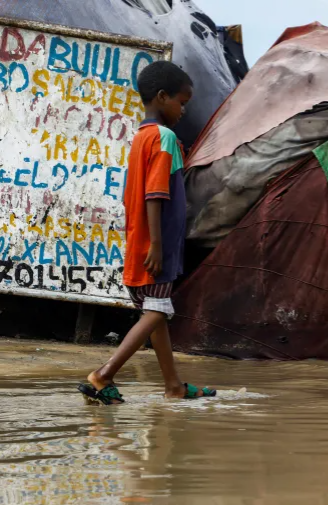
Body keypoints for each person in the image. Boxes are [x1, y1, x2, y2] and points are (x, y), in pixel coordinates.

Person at [78, 61, 215, 404]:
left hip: (141, 240)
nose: (184, 110)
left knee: (157, 313)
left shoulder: (141, 137)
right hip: (157, 245)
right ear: (162, 96)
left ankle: (173, 386)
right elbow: (156, 194)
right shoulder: (165, 138)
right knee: (157, 311)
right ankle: (103, 375)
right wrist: (157, 244)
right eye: (182, 102)